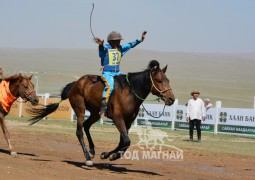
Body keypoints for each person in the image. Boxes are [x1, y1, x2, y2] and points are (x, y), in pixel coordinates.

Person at [95, 31, 147, 115]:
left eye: (119, 41)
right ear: (111, 42)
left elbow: (130, 45)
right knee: (110, 87)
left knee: (128, 83)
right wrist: (100, 45)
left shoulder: (121, 48)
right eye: (116, 41)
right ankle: (104, 106)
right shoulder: (106, 48)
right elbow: (101, 51)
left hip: (118, 73)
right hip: (108, 73)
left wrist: (141, 39)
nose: (119, 42)